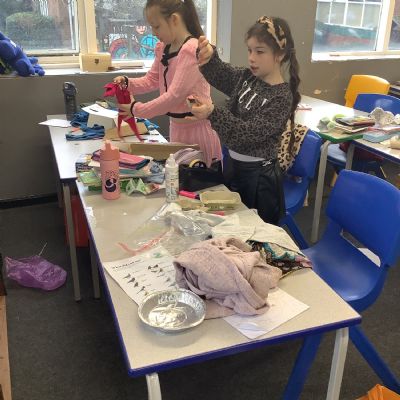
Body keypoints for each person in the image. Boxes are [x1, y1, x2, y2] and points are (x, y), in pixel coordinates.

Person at [188, 16, 301, 225]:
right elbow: (221, 73)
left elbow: (247, 134)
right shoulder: (248, 78)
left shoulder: (281, 97)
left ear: (280, 54)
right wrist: (209, 55)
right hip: (235, 167)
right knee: (233, 225)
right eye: (249, 50)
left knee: (254, 232)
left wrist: (213, 112)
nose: (251, 58)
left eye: (259, 51)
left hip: (259, 179)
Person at [114, 0, 221, 167]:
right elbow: (151, 80)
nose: (153, 32)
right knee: (176, 178)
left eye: (156, 26)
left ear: (174, 19)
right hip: (177, 129)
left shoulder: (191, 50)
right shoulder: (163, 48)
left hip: (198, 133)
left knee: (198, 179)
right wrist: (128, 83)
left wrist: (136, 109)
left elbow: (174, 96)